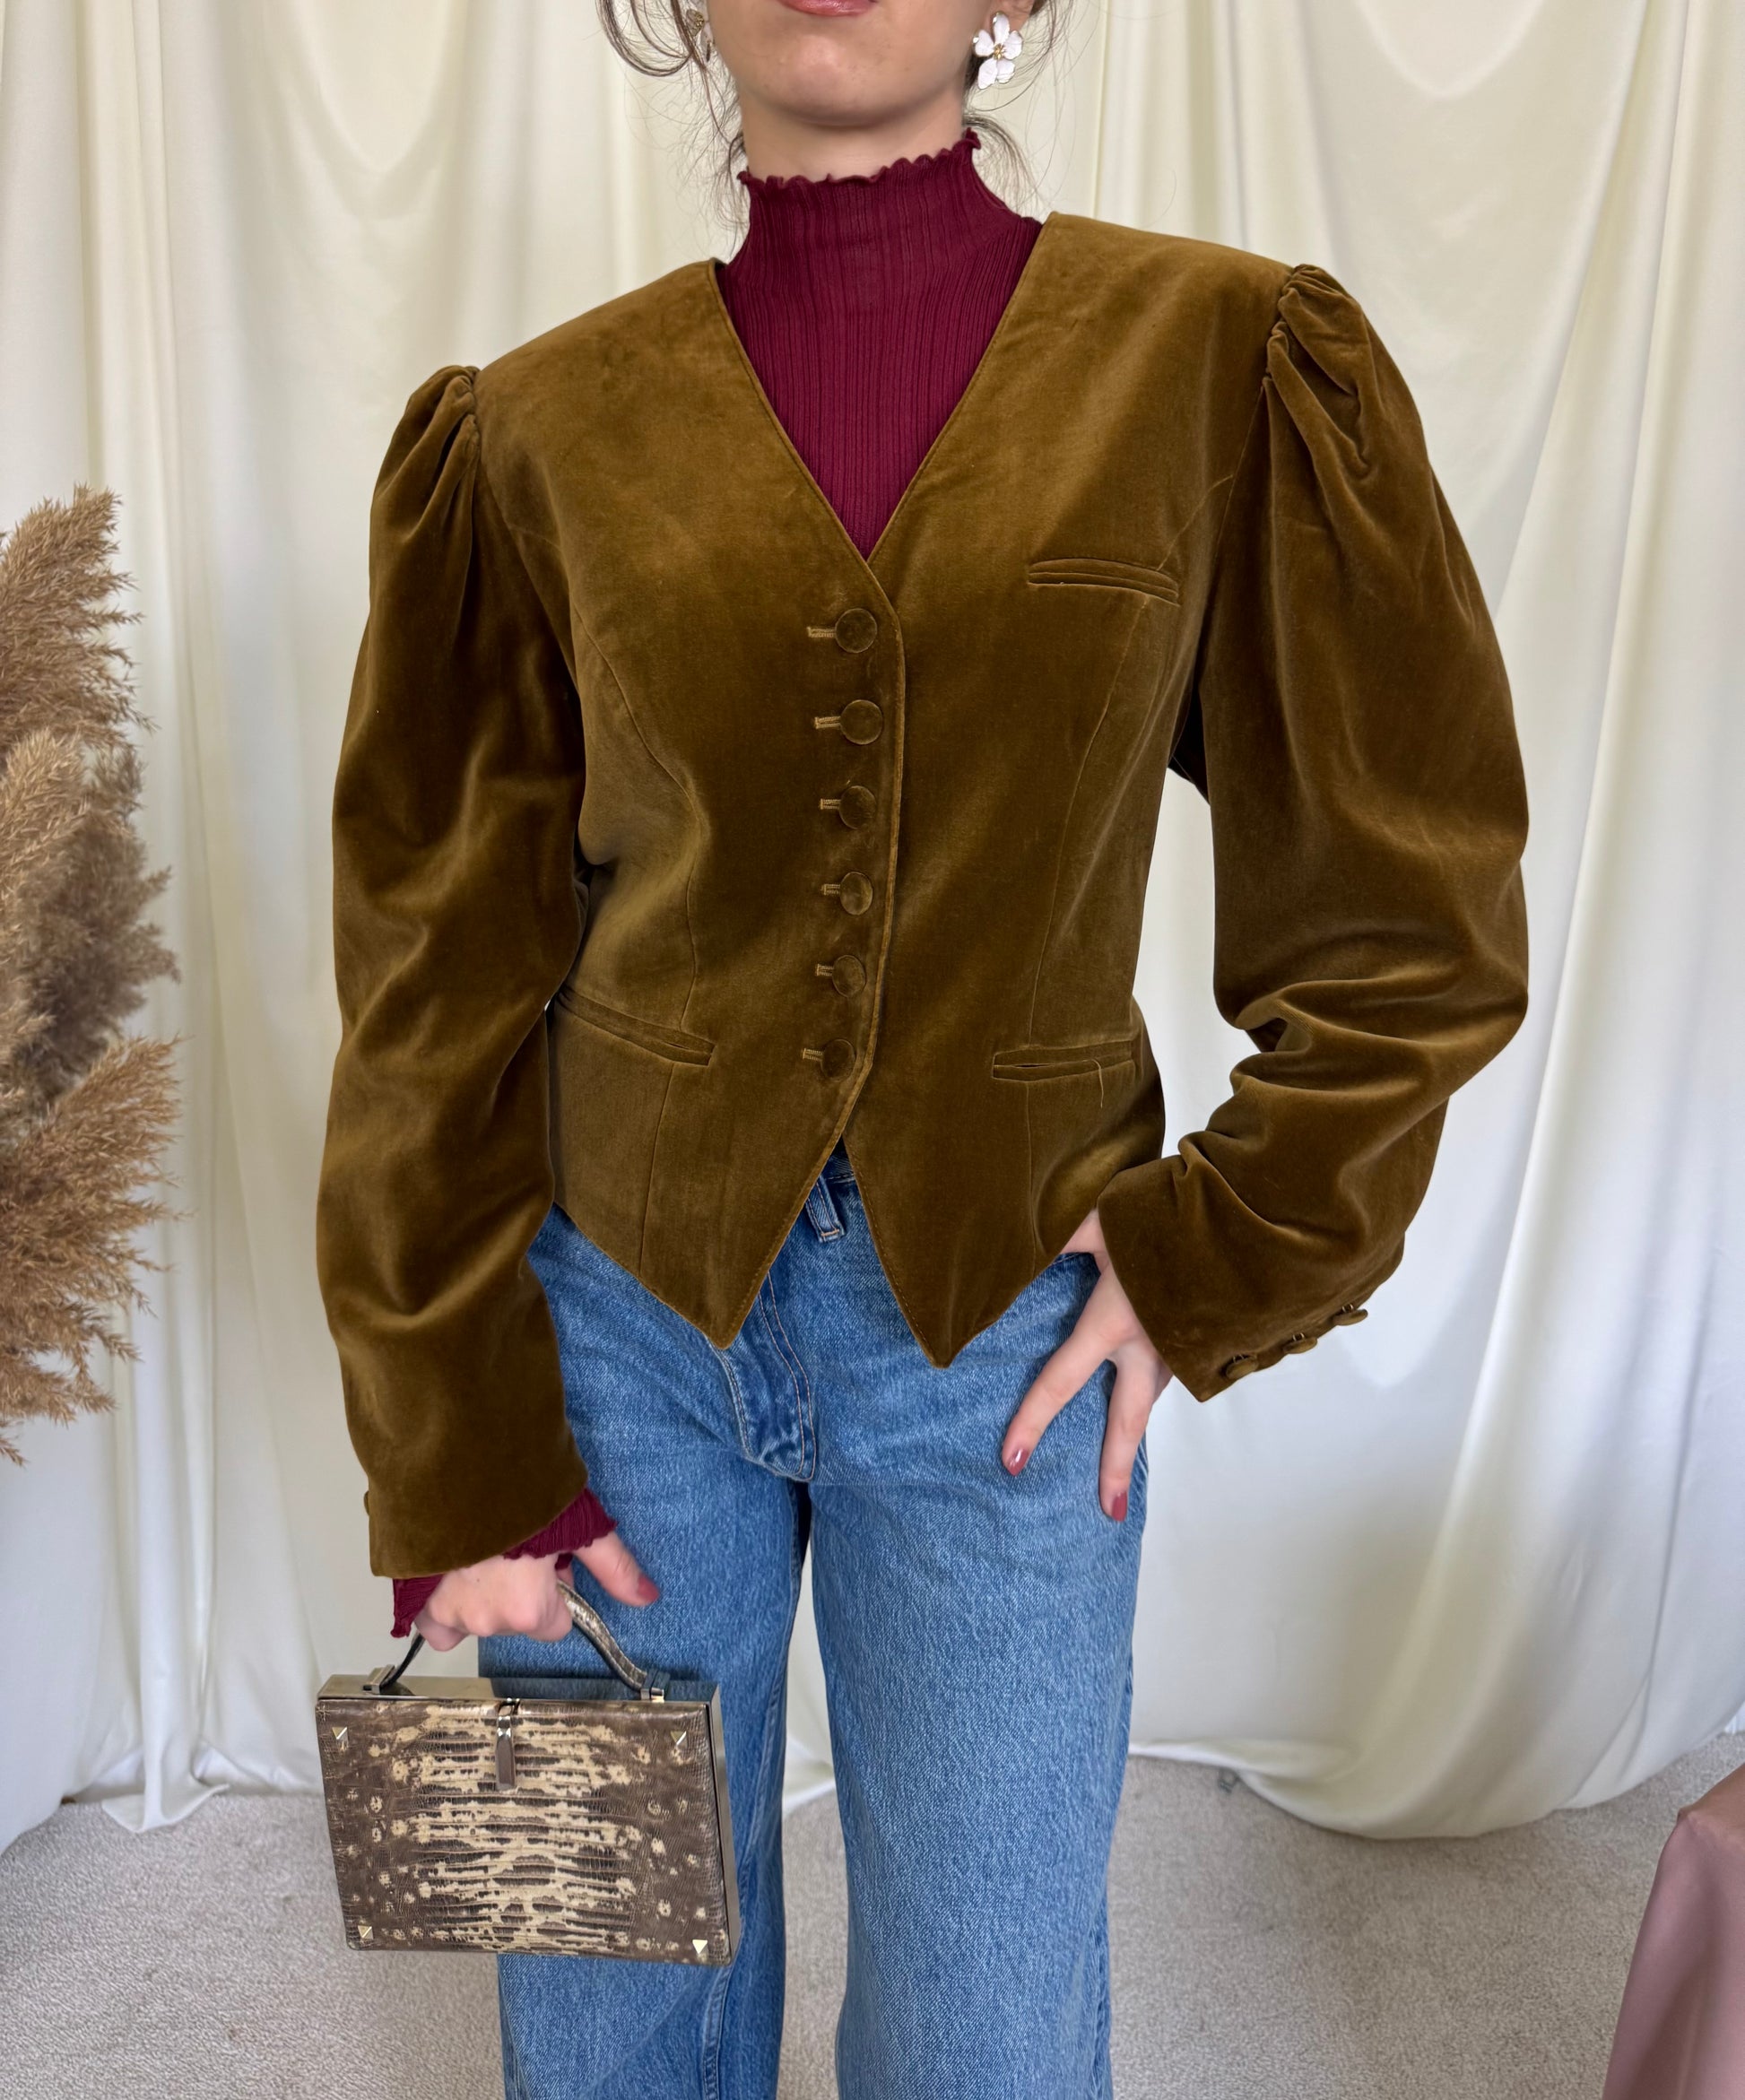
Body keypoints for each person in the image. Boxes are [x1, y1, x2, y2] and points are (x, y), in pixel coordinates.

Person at [315, 1, 1530, 2094]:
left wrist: (1226, 1243)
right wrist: (457, 1451)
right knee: (602, 2013)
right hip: (609, 1330)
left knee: (990, 2028)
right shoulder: (528, 436)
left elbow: (1406, 909)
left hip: (1006, 1335)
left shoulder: (1224, 364)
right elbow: (432, 985)